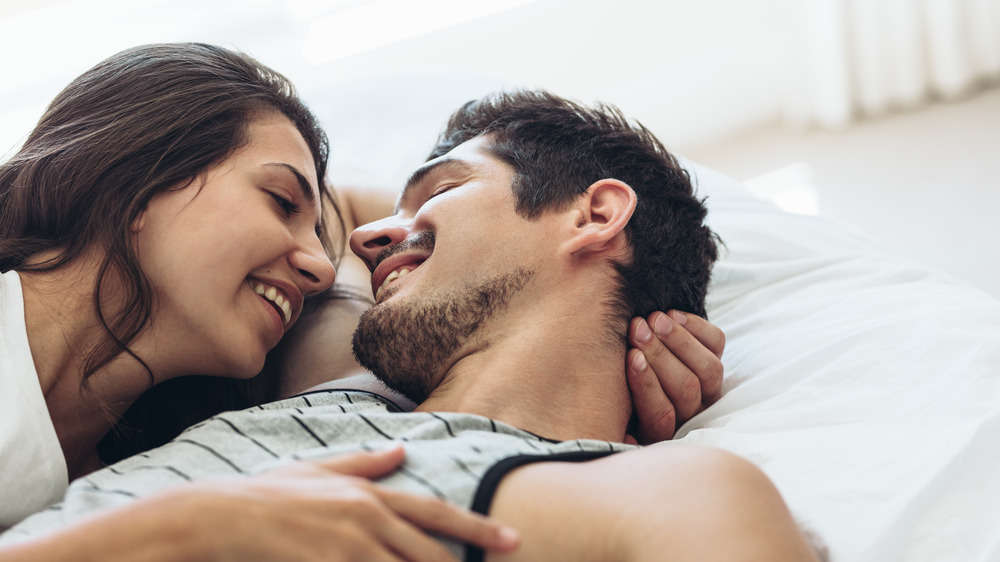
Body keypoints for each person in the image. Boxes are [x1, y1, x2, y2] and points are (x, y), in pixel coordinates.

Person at [2, 90, 820, 561]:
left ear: (595, 213)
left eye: (436, 192)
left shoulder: (660, 491)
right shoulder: (336, 380)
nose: (349, 248)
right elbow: (287, 201)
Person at [0, 43, 523, 560]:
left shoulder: (103, 475)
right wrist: (171, 530)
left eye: (318, 233)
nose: (321, 268)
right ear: (134, 180)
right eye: (281, 202)